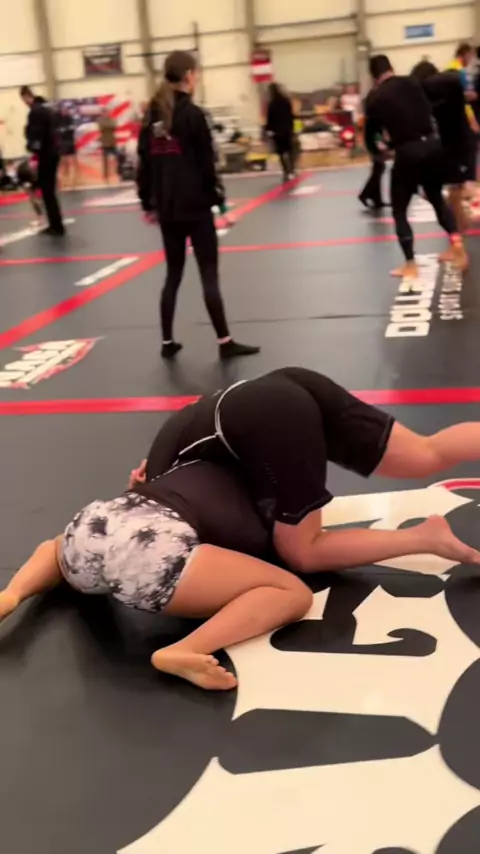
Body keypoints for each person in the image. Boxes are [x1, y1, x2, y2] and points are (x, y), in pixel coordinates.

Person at [4, 367, 480, 692]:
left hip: (95, 525)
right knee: (424, 456)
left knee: (297, 558)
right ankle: (180, 647)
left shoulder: (199, 486)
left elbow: (55, 547)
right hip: (280, 388)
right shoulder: (205, 482)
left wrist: (16, 590)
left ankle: (179, 647)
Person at [137, 50, 259, 361]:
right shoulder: (193, 115)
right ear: (189, 75)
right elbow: (207, 166)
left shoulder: (151, 116)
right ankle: (225, 341)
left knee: (173, 273)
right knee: (208, 274)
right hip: (195, 206)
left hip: (167, 208)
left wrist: (148, 203)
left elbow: (144, 164)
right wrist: (220, 204)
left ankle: (167, 341)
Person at [365, 55, 467, 280]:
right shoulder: (412, 83)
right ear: (391, 67)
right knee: (437, 199)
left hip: (408, 152)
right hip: (433, 145)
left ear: (373, 75)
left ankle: (411, 264)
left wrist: (383, 151)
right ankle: (457, 244)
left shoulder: (375, 97)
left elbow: (371, 136)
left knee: (399, 209)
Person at [411, 60, 472, 232]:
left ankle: (459, 231)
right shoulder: (431, 98)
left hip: (457, 146)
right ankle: (459, 226)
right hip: (444, 147)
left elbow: (454, 79)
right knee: (434, 190)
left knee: (455, 192)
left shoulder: (448, 90)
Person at [19, 86, 65, 236]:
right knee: (48, 190)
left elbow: (36, 135)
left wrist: (31, 149)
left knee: (47, 191)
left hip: (46, 155)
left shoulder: (35, 112)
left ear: (26, 96)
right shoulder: (46, 109)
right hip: (53, 152)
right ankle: (56, 223)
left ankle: (56, 226)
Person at [265, 83, 295, 181]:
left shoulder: (271, 104)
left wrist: (268, 130)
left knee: (281, 153)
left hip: (277, 132)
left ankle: (285, 170)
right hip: (287, 129)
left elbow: (270, 119)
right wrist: (292, 128)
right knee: (290, 151)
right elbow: (291, 116)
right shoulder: (286, 101)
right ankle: (292, 169)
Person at [58, 106, 77, 188]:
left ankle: (71, 182)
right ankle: (64, 182)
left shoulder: (70, 120)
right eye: (63, 110)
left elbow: (72, 130)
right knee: (64, 163)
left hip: (68, 143)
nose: (65, 112)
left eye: (66, 110)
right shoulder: (59, 121)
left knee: (69, 163)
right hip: (64, 143)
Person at [97, 108, 117, 183]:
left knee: (116, 157)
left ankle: (116, 172)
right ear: (102, 114)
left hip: (112, 141)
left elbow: (114, 126)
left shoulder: (111, 119)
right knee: (105, 160)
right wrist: (109, 126)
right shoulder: (100, 120)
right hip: (105, 142)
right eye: (104, 113)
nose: (106, 114)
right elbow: (101, 127)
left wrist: (107, 126)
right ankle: (105, 175)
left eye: (107, 113)